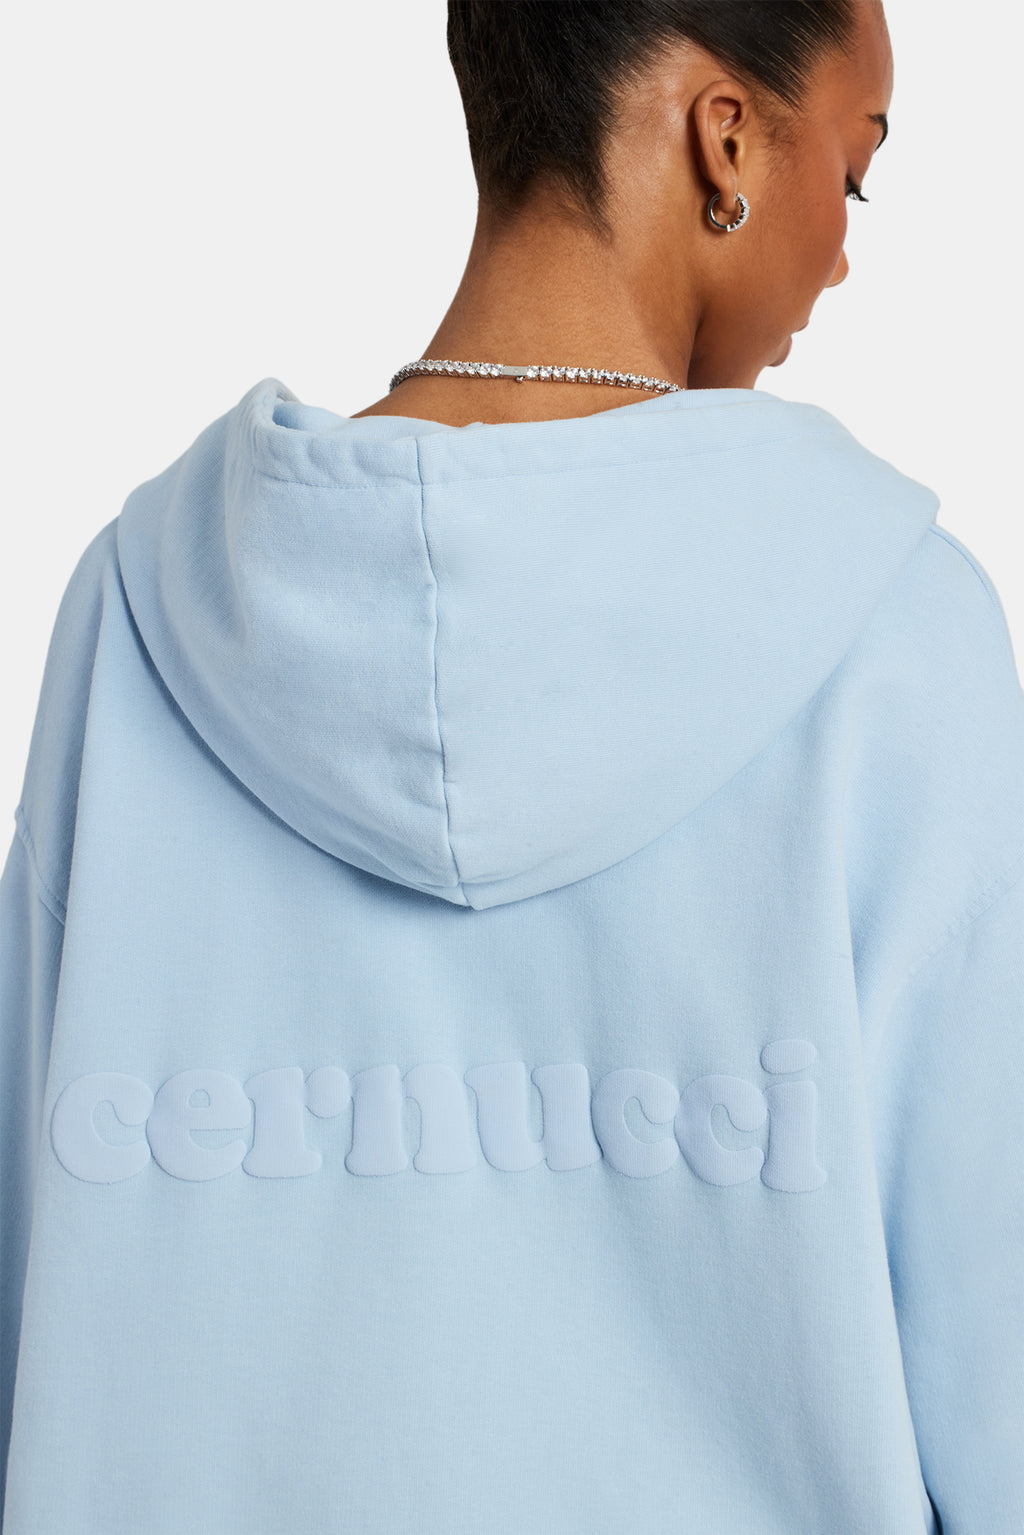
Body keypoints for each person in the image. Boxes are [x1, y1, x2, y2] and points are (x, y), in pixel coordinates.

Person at [1, 1, 1021, 1531]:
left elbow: (30, 1294)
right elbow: (996, 1372)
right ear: (725, 141)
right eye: (853, 173)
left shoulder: (147, 610)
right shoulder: (896, 630)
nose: (841, 254)